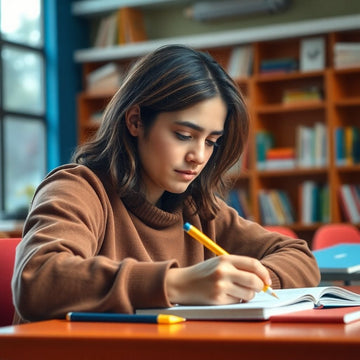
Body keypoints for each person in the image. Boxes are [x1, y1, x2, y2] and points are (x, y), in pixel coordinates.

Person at [12, 44, 320, 324]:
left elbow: (299, 256)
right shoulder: (78, 188)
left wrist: (251, 282)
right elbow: (38, 280)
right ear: (135, 121)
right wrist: (177, 283)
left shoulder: (197, 210)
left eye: (211, 141)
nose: (198, 156)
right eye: (184, 135)